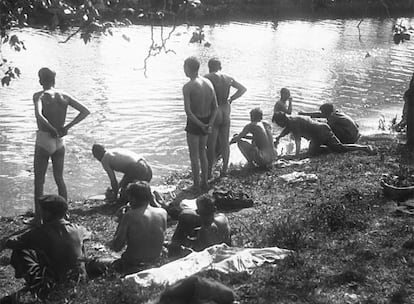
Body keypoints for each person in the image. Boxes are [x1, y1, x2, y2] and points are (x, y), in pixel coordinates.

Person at [0, 195, 91, 300]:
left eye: (42, 211)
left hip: (51, 288)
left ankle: (35, 286)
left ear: (48, 213)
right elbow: (87, 234)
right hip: (79, 284)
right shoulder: (78, 229)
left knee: (20, 251)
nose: (41, 214)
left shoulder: (40, 233)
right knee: (79, 246)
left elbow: (10, 242)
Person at [33, 67, 90, 224]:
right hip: (60, 141)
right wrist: (66, 128)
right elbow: (85, 111)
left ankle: (38, 218)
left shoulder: (39, 96)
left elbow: (39, 115)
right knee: (59, 178)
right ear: (54, 79)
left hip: (45, 138)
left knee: (39, 180)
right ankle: (64, 215)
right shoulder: (65, 96)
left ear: (40, 80)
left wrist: (52, 130)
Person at [109, 181, 167, 275]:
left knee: (95, 263)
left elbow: (117, 247)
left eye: (130, 198)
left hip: (132, 264)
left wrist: (121, 222)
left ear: (133, 198)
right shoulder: (163, 212)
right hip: (155, 262)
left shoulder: (130, 216)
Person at [204, 58, 247, 177]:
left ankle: (209, 172)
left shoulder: (207, 77)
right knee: (225, 142)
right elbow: (243, 89)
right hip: (226, 109)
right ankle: (224, 169)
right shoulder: (228, 78)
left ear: (209, 67)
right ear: (220, 67)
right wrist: (231, 99)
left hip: (215, 110)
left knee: (211, 143)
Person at [182, 57, 218, 192]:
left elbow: (188, 112)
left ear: (189, 68)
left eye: (184, 67)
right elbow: (215, 106)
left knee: (194, 155)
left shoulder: (188, 86)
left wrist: (200, 125)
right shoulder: (208, 82)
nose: (183, 70)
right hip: (207, 120)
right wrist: (209, 124)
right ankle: (205, 182)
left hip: (195, 122)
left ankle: (196, 185)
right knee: (203, 152)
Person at [272, 112, 376, 156]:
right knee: (317, 150)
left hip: (320, 132)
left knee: (341, 148)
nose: (278, 125)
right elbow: (286, 130)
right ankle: (330, 148)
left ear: (281, 120)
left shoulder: (293, 122)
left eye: (278, 123)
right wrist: (279, 137)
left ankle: (365, 148)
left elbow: (297, 140)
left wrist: (296, 155)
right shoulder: (290, 119)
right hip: (319, 131)